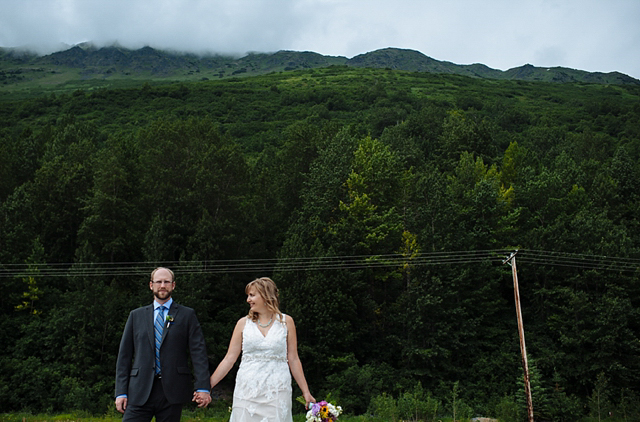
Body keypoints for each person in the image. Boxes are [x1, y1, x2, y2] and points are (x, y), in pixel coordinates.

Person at [197, 277, 315, 421]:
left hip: (277, 390)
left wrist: (306, 392)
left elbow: (294, 359)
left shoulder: (286, 322)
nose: (248, 300)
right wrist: (207, 386)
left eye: (252, 295)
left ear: (266, 296)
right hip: (247, 390)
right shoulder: (242, 323)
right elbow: (229, 359)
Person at [115, 267, 212, 422]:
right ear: (151, 285)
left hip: (172, 391)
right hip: (139, 390)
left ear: (173, 285)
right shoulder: (136, 316)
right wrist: (121, 392)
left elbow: (198, 353)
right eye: (158, 281)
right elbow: (124, 357)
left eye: (166, 282)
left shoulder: (187, 315)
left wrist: (202, 387)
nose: (162, 285)